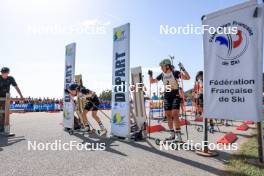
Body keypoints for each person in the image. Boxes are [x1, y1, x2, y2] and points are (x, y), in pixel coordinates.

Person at [148, 58, 190, 141]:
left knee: (175, 114)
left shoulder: (175, 73)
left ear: (167, 66)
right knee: (168, 115)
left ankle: (178, 135)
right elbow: (152, 81)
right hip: (167, 95)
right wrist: (150, 75)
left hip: (175, 94)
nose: (161, 68)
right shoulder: (162, 75)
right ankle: (172, 134)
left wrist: (183, 69)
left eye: (162, 66)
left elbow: (188, 77)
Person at [0, 67, 23, 134]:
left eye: (5, 73)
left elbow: (16, 87)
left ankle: (3, 127)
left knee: (5, 112)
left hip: (6, 97)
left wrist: (21, 96)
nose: (4, 74)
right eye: (2, 73)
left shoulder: (10, 79)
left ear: (8, 73)